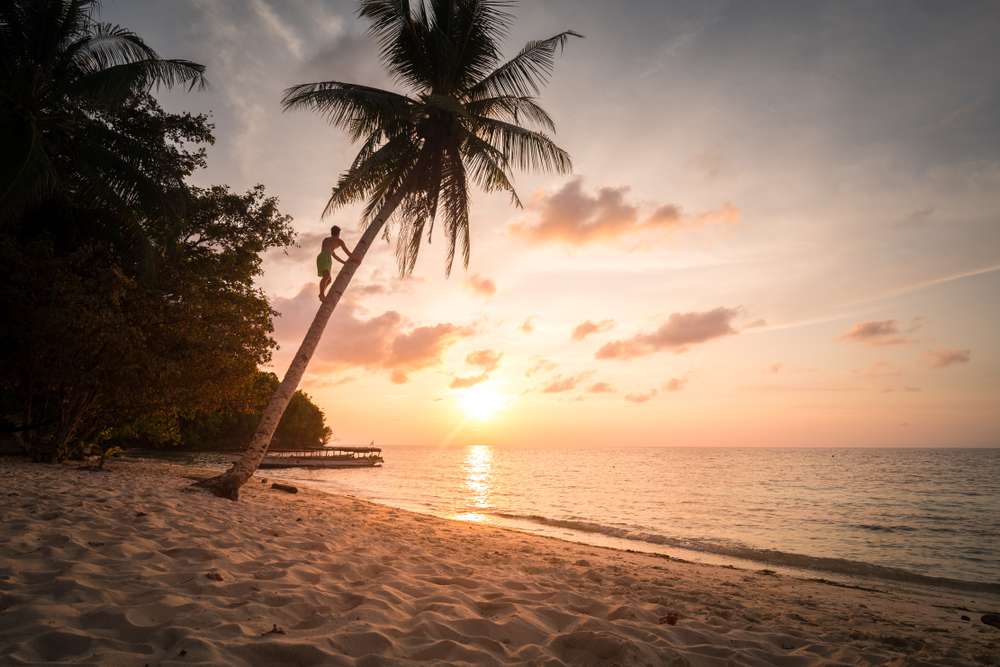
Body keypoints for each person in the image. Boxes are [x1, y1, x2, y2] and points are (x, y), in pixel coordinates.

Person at [317, 225, 353, 301]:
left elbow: (334, 255)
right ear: (338, 233)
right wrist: (355, 257)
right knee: (326, 277)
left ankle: (321, 293)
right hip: (325, 258)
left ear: (332, 232)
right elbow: (348, 253)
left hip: (322, 257)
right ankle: (322, 294)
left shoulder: (326, 240)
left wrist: (343, 262)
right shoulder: (339, 241)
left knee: (329, 280)